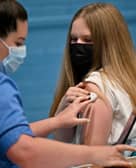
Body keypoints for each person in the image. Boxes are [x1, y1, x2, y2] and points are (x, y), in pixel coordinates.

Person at [0, 0, 135, 168]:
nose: (78, 47)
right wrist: (96, 154)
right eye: (18, 43)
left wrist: (57, 121)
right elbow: (24, 149)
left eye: (87, 40)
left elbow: (6, 133)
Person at [49, 2, 136, 155]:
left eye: (88, 40)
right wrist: (61, 113)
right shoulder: (126, 80)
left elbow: (91, 160)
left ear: (111, 42)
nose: (78, 46)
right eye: (74, 39)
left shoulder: (95, 85)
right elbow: (63, 139)